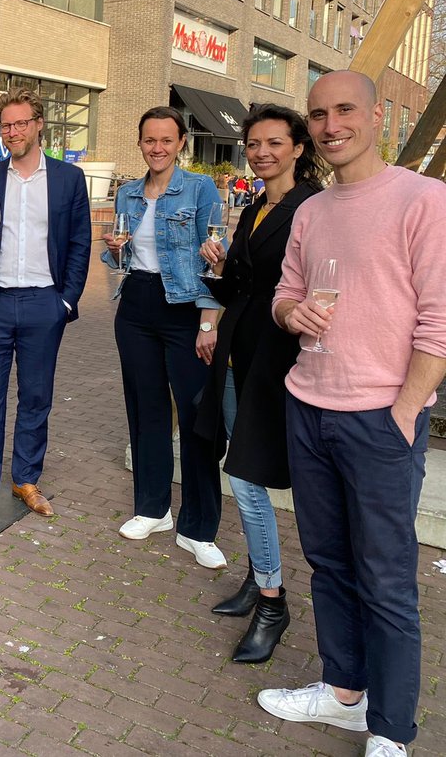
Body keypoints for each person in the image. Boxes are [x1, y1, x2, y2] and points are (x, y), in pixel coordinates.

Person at [258, 71, 446, 757]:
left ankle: (392, 729)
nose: (331, 124)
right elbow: (285, 294)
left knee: (388, 581)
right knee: (330, 563)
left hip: (379, 420)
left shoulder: (425, 200)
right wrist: (290, 312)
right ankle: (344, 692)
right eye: (318, 113)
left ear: (376, 117)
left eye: (344, 109)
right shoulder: (311, 210)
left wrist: (401, 414)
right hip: (309, 405)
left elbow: (441, 323)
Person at [193, 104, 324, 663]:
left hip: (278, 364)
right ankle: (256, 576)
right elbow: (243, 292)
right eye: (254, 144)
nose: (262, 152)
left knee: (246, 478)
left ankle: (273, 602)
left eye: (275, 143)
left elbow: (306, 291)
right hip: (236, 359)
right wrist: (220, 271)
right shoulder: (253, 209)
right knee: (242, 471)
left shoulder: (312, 208)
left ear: (298, 147)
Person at [0, 89, 91, 522]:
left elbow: (80, 244)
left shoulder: (68, 179)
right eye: (5, 126)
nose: (12, 132)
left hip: (43, 304)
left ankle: (26, 478)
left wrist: (64, 302)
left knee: (35, 397)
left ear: (38, 124)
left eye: (20, 123)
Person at [101, 106, 224, 567]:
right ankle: (153, 509)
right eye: (149, 140)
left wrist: (209, 322)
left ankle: (199, 527)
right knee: (146, 409)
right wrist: (113, 253)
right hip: (135, 307)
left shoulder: (199, 188)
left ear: (181, 144)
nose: (157, 148)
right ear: (139, 143)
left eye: (167, 140)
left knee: (196, 419)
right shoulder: (128, 193)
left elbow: (217, 259)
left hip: (184, 309)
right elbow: (121, 260)